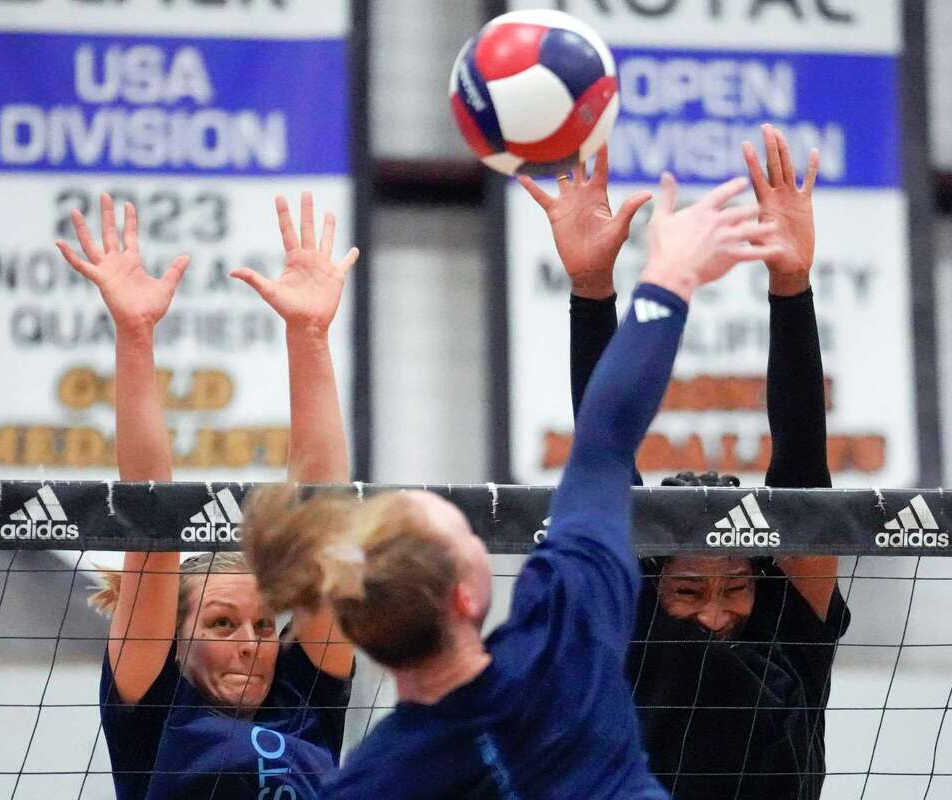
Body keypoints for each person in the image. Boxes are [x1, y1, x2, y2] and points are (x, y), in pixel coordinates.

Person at [240, 168, 784, 798]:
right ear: (467, 596)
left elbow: (604, 447)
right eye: (460, 530)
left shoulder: (370, 783)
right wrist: (670, 277)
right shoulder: (560, 644)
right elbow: (605, 442)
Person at [519, 124, 850, 799]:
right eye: (689, 593)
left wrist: (791, 283)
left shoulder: (789, 642)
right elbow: (604, 450)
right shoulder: (636, 642)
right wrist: (591, 288)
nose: (716, 614)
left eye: (734, 588)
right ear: (651, 592)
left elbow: (802, 474)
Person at [60, 192, 356, 798]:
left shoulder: (306, 694)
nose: (251, 645)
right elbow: (149, 520)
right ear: (173, 642)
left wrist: (310, 334)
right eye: (222, 623)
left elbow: (322, 517)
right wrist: (135, 336)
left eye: (263, 625)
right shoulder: (154, 707)